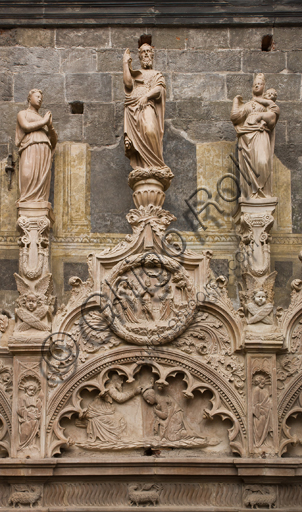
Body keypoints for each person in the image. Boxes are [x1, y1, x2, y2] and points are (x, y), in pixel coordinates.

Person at [230, 74, 280, 199]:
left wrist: (260, 116)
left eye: (260, 83)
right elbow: (235, 117)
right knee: (248, 168)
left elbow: (273, 118)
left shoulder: (268, 104)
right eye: (255, 84)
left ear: (264, 86)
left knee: (262, 162)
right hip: (246, 138)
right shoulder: (247, 105)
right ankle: (251, 195)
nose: (257, 85)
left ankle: (262, 193)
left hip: (260, 135)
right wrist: (236, 102)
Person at [123, 44, 167, 171]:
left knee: (150, 129)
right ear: (139, 56)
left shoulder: (156, 74)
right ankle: (143, 165)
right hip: (133, 107)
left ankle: (155, 163)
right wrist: (125, 63)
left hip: (147, 105)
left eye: (148, 51)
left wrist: (146, 96)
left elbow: (159, 89)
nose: (146, 54)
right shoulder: (136, 73)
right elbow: (128, 84)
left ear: (152, 55)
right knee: (138, 137)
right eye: (143, 52)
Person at [15, 89, 57, 203]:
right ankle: (26, 200)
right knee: (28, 173)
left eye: (41, 98)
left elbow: (54, 141)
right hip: (30, 148)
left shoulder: (43, 120)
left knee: (41, 179)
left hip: (44, 151)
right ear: (30, 98)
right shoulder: (23, 113)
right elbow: (26, 126)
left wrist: (50, 126)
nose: (40, 99)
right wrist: (44, 122)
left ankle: (40, 200)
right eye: (37, 97)